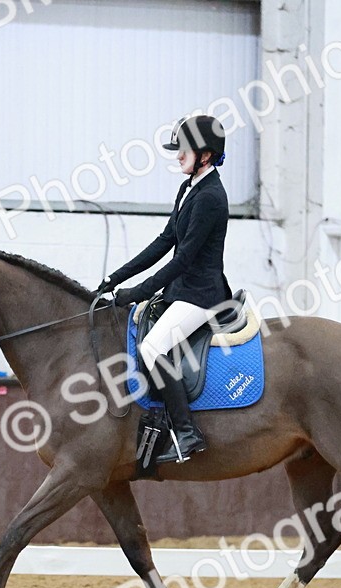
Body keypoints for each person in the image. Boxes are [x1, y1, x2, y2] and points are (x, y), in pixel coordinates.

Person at [96, 114, 232, 463]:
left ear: (205, 154)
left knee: (154, 347)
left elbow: (183, 259)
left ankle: (187, 433)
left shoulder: (211, 197)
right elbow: (165, 241)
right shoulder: (190, 188)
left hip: (202, 294)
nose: (177, 156)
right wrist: (117, 278)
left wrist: (137, 292)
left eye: (184, 150)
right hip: (181, 290)